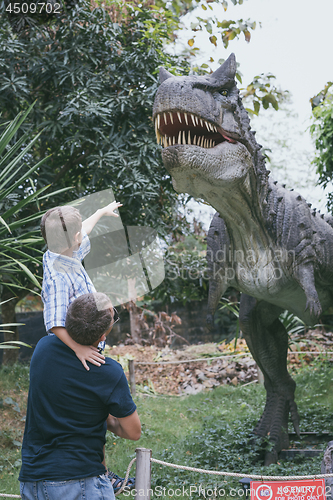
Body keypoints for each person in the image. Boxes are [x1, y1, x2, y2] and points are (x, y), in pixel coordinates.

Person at [19, 292, 141, 500]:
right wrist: (104, 418)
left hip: (33, 480)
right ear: (103, 335)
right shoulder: (107, 371)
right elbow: (133, 431)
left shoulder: (42, 349)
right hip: (80, 483)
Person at [40, 201, 122, 370]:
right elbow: (55, 323)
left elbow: (84, 229)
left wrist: (100, 211)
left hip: (89, 338)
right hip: (78, 345)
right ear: (75, 238)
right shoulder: (58, 279)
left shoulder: (62, 250)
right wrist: (79, 349)